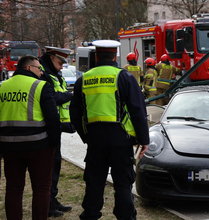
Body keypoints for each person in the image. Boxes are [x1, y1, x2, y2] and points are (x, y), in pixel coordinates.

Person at [69, 40, 150, 220]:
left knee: (94, 181)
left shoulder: (84, 79)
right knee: (122, 183)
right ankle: (125, 216)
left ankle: (90, 214)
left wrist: (85, 136)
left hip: (95, 140)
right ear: (115, 56)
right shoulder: (124, 77)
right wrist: (144, 140)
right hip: (121, 139)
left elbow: (75, 113)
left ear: (96, 56)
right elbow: (138, 111)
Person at [0, 55, 60, 220]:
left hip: (9, 146)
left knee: (13, 188)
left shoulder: (2, 87)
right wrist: (53, 145)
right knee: (41, 188)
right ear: (28, 68)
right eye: (38, 69)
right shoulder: (41, 86)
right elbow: (53, 119)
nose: (41, 72)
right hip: (39, 146)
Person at [39, 46, 74, 217]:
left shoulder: (54, 74)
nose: (61, 66)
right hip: (48, 128)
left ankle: (52, 200)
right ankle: (49, 204)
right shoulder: (44, 75)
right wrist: (71, 95)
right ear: (51, 57)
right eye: (60, 62)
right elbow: (53, 98)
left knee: (56, 165)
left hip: (57, 126)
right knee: (51, 167)